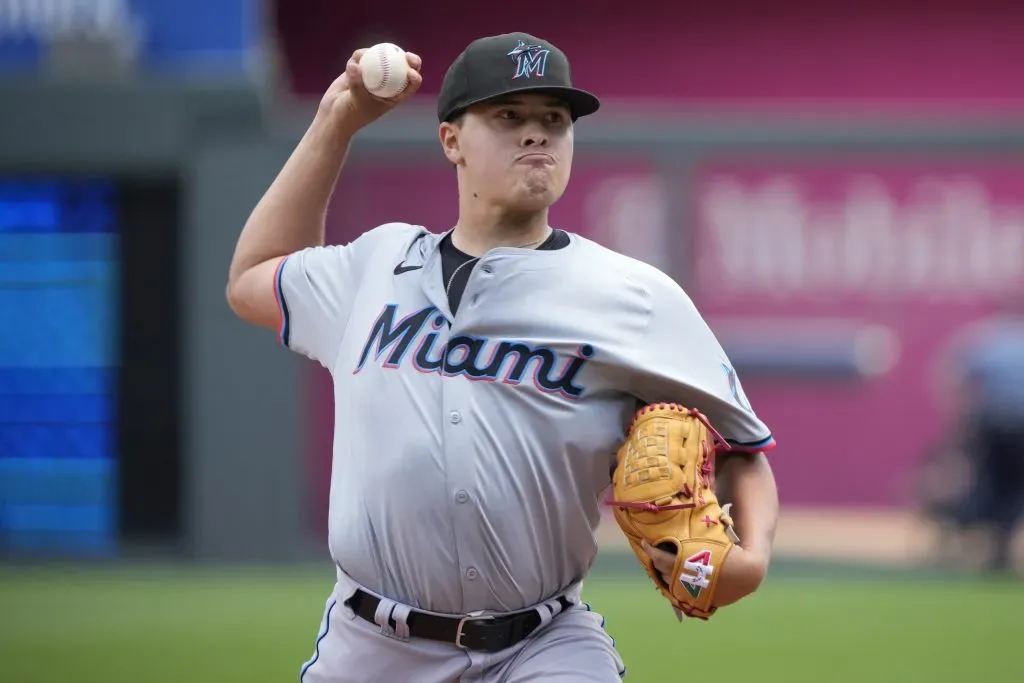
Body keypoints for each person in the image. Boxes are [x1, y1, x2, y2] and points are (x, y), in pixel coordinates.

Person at [226, 32, 780, 683]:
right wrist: (336, 120)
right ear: (452, 140)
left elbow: (742, 446)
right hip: (371, 646)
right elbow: (252, 278)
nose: (536, 135)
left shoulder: (634, 297)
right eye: (508, 116)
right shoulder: (374, 265)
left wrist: (754, 551)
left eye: (553, 119)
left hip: (540, 644)